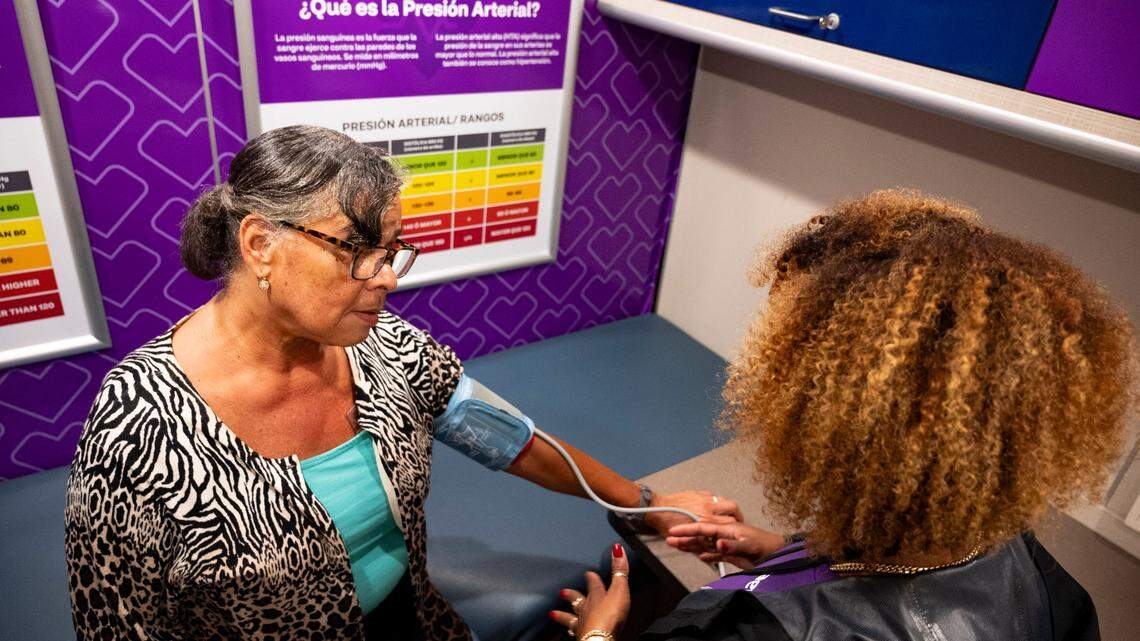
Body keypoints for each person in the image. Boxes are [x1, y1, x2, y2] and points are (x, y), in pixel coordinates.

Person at [64, 125, 741, 641]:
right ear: (260, 244)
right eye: (359, 250)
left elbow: (508, 440)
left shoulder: (381, 345)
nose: (388, 277)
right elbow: (117, 624)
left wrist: (646, 502)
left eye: (392, 251)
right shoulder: (136, 424)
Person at [551, 190, 1135, 640]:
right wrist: (794, 554)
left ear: (832, 421)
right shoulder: (1033, 571)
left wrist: (596, 632)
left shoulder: (746, 632)